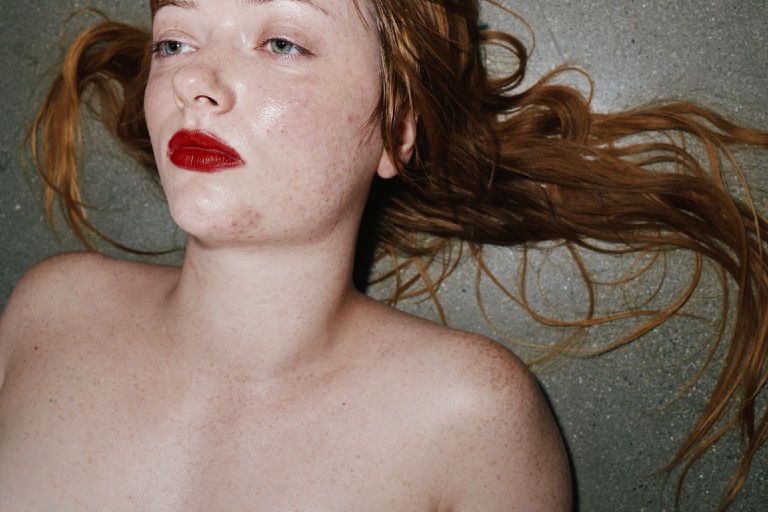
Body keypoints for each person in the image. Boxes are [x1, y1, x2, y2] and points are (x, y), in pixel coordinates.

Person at [0, 0, 766, 509]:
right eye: (174, 40)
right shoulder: (47, 313)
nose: (193, 80)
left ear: (397, 131)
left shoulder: (469, 415)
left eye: (281, 42)